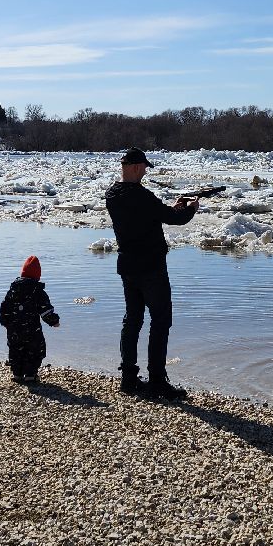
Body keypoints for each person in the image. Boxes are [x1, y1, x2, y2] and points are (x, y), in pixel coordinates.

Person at [104, 147, 199, 400]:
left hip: (127, 266)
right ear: (135, 167)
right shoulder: (142, 196)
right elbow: (172, 218)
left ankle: (128, 378)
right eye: (144, 168)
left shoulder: (112, 195)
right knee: (161, 321)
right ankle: (157, 379)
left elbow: (156, 213)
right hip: (151, 268)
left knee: (132, 320)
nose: (145, 172)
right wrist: (189, 209)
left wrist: (175, 208)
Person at [0, 255, 62, 382]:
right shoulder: (37, 291)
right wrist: (54, 321)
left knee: (15, 350)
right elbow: (45, 310)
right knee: (35, 350)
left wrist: (4, 322)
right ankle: (30, 375)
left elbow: (4, 307)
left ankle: (17, 374)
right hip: (32, 330)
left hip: (14, 329)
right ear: (37, 275)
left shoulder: (13, 290)